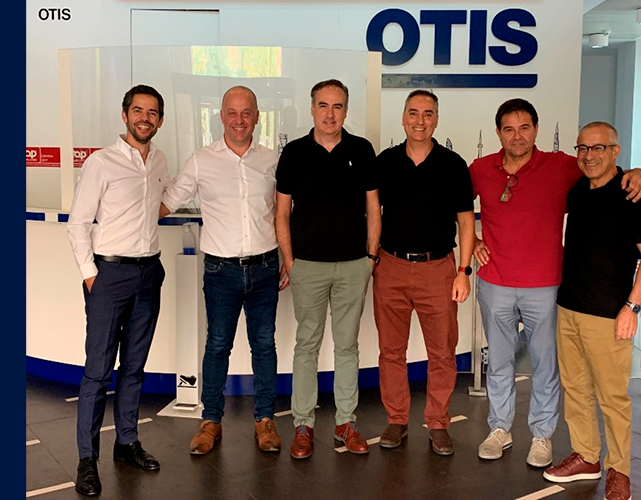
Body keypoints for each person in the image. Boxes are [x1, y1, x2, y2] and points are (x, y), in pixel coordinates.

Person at [468, 98, 641, 468]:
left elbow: (603, 168)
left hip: (547, 286)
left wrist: (637, 172)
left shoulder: (562, 166)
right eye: (508, 129)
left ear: (536, 130)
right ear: (498, 133)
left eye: (524, 128)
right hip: (495, 283)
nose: (517, 136)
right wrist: (471, 241)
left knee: (546, 366)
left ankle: (542, 435)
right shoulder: (480, 169)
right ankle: (500, 428)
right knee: (499, 363)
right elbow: (452, 206)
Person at [160, 86, 284, 455]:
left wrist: (290, 259)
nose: (239, 120)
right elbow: (167, 202)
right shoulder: (201, 160)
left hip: (265, 267)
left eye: (246, 113)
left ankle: (265, 420)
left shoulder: (273, 161)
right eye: (232, 112)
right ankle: (210, 421)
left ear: (257, 116)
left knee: (264, 345)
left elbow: (285, 213)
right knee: (217, 345)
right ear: (221, 116)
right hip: (220, 271)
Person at [542, 122, 641, 500]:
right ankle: (587, 457)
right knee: (576, 390)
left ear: (615, 151)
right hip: (569, 307)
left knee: (612, 398)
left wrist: (632, 307)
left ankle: (619, 470)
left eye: (598, 148)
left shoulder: (633, 194)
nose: (589, 156)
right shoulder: (578, 191)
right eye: (583, 148)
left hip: (609, 314)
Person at [67, 84, 168, 497]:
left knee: (134, 367)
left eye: (152, 112)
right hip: (109, 276)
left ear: (160, 120)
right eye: (138, 111)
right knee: (97, 372)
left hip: (149, 274)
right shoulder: (101, 162)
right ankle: (86, 460)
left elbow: (157, 205)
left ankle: (126, 442)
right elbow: (78, 223)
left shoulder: (159, 160)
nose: (145, 118)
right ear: (125, 115)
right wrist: (92, 276)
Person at [275, 79, 380, 459]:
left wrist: (370, 258)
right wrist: (290, 261)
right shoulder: (294, 153)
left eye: (337, 106)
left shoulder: (362, 150)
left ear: (346, 111)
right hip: (307, 267)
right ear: (312, 108)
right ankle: (303, 425)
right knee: (307, 346)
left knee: (347, 346)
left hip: (353, 266)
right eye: (323, 105)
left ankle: (345, 423)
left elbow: (374, 208)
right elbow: (281, 213)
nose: (330, 114)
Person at [373, 89, 475, 456]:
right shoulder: (385, 162)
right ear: (403, 118)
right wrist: (371, 259)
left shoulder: (453, 164)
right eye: (413, 113)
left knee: (442, 352)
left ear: (436, 120)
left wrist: (463, 271)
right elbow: (371, 214)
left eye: (428, 114)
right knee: (391, 351)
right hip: (391, 266)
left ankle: (438, 423)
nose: (420, 120)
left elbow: (466, 222)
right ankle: (396, 419)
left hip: (438, 269)